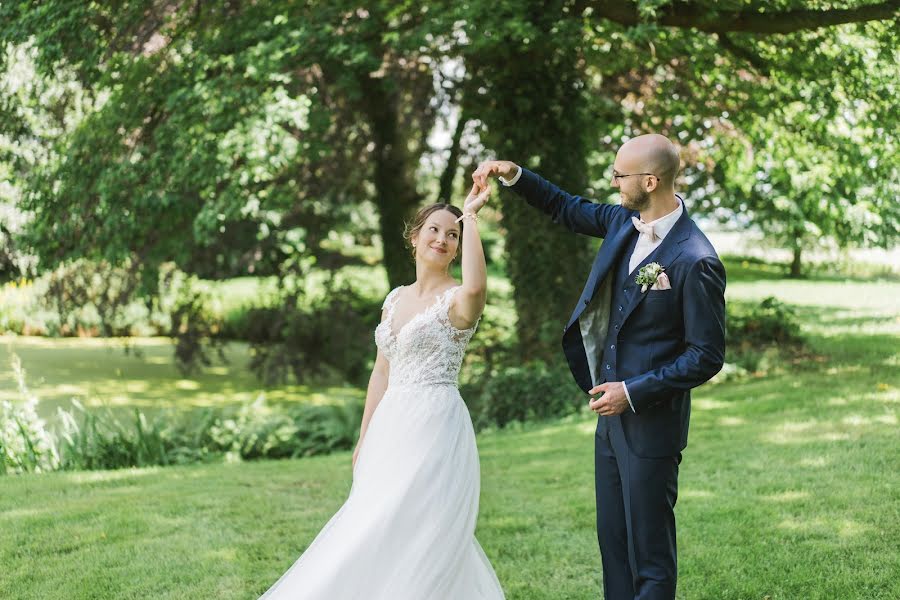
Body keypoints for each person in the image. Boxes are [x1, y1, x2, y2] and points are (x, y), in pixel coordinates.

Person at [473, 134, 726, 600]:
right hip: (609, 427)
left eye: (619, 175)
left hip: (651, 426)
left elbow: (706, 355)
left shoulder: (696, 258)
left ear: (650, 181)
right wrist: (514, 175)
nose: (612, 182)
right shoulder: (621, 222)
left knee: (649, 556)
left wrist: (631, 392)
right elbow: (566, 207)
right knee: (614, 545)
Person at [259, 182, 505, 599]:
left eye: (453, 234)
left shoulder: (459, 300)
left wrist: (473, 216)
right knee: (374, 519)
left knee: (423, 524)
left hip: (435, 424)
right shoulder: (394, 299)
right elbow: (380, 373)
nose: (443, 239)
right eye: (435, 229)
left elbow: (478, 287)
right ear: (415, 236)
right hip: (390, 426)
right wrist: (364, 436)